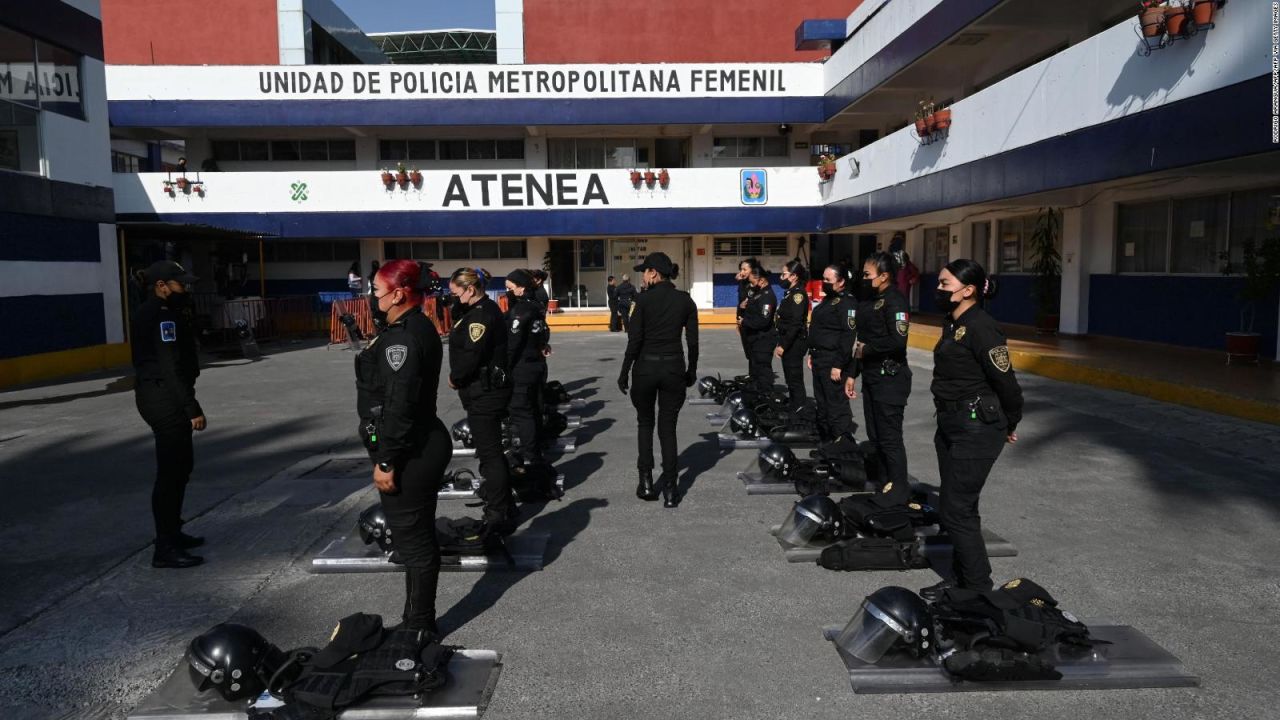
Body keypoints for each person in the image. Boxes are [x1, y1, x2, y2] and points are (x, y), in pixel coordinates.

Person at [357, 260, 451, 633]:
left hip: (410, 451)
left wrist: (385, 460)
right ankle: (417, 619)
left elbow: (399, 406)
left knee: (414, 544)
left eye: (377, 292)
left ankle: (418, 625)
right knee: (417, 539)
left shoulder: (402, 339)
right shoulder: (412, 326)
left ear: (399, 294)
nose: (371, 297)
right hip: (419, 441)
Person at [922, 259, 1023, 601]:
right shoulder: (953, 323)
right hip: (951, 422)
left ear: (968, 291)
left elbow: (1005, 381)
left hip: (976, 426)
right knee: (958, 506)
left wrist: (1011, 421)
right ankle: (960, 577)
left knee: (956, 508)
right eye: (939, 282)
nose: (938, 289)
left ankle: (978, 589)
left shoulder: (982, 326)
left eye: (945, 284)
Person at [131, 260, 206, 569]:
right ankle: (165, 546)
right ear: (161, 286)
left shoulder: (156, 312)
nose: (185, 289)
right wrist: (191, 408)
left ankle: (174, 532)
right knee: (171, 473)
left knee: (181, 468)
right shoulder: (161, 316)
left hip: (161, 395)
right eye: (179, 284)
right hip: (165, 399)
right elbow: (170, 367)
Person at [618, 252, 698, 508]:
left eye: (645, 271)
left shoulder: (641, 301)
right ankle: (672, 491)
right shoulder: (685, 301)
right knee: (668, 428)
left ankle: (646, 482)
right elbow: (693, 342)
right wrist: (692, 370)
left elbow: (635, 340)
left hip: (645, 369)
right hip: (673, 368)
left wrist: (624, 371)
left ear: (654, 272)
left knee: (645, 424)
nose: (643, 275)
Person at [447, 268, 518, 534]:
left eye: (457, 292)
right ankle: (506, 505)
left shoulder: (482, 316)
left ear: (471, 289)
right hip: (481, 392)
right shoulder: (474, 311)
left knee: (490, 455)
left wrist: (456, 377)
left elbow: (472, 355)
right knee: (489, 451)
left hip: (486, 393)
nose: (453, 297)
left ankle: (498, 513)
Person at [845, 252, 912, 500]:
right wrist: (853, 374)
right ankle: (884, 484)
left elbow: (898, 341)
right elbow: (861, 341)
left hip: (890, 379)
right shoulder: (870, 301)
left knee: (889, 437)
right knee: (875, 436)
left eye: (866, 274)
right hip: (872, 377)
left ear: (884, 276)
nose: (862, 278)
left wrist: (868, 350)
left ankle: (899, 490)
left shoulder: (896, 301)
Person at [504, 269, 551, 464]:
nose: (508, 291)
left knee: (523, 413)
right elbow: (544, 335)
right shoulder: (536, 307)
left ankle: (530, 457)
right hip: (536, 365)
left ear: (521, 288)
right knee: (534, 409)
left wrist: (503, 367)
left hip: (523, 367)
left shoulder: (521, 310)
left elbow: (512, 345)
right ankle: (536, 449)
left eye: (510, 288)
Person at [806, 263, 856, 443]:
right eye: (823, 279)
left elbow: (848, 337)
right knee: (822, 404)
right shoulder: (828, 300)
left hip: (833, 360)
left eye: (828, 280)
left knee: (835, 405)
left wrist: (838, 365)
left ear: (841, 281)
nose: (824, 282)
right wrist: (812, 352)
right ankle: (826, 445)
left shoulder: (847, 302)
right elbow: (820, 329)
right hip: (819, 358)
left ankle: (842, 445)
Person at [774, 259, 810, 409]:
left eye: (784, 274)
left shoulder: (798, 296)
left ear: (794, 276)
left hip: (794, 342)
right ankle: (794, 403)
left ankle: (800, 408)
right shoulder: (790, 293)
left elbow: (795, 324)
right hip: (788, 340)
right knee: (789, 376)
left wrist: (783, 345)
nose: (781, 277)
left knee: (794, 377)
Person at [737, 263, 777, 395]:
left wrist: (745, 321)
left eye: (753, 282)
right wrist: (743, 307)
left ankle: (766, 396)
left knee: (763, 371)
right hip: (755, 338)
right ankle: (756, 394)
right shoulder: (758, 293)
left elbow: (763, 320)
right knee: (755, 369)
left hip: (763, 339)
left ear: (761, 280)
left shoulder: (767, 296)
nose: (751, 285)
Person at [735, 258, 760, 368]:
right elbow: (741, 301)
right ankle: (752, 377)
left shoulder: (757, 285)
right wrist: (738, 321)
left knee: (755, 354)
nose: (742, 272)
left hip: (753, 323)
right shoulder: (744, 283)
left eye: (745, 269)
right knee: (749, 354)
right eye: (741, 269)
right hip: (744, 322)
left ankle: (756, 379)